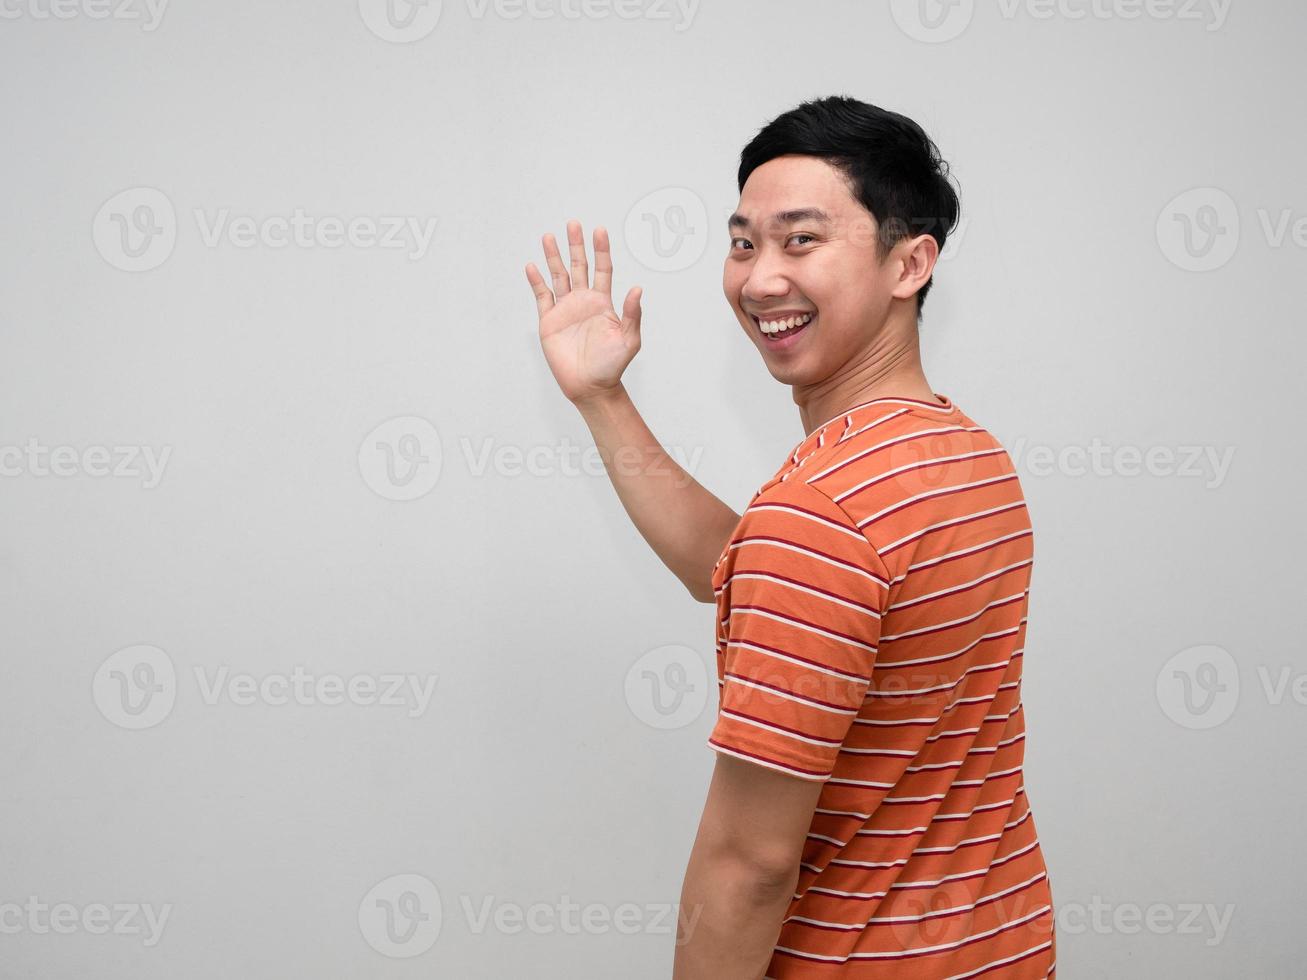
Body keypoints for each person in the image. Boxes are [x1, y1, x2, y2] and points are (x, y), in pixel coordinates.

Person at [524, 94, 1055, 979]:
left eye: (801, 240)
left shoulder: (820, 516)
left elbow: (750, 862)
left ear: (908, 262)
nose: (760, 278)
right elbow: (741, 571)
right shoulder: (964, 454)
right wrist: (602, 398)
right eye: (743, 243)